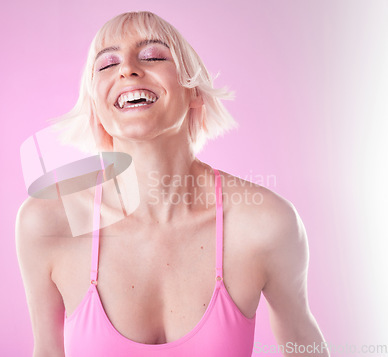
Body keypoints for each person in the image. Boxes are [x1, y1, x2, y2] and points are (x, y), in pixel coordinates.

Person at [16, 11, 329, 357]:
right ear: (95, 104)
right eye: (107, 64)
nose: (127, 69)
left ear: (193, 90)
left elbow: (305, 345)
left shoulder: (265, 223)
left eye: (152, 56)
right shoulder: (46, 223)